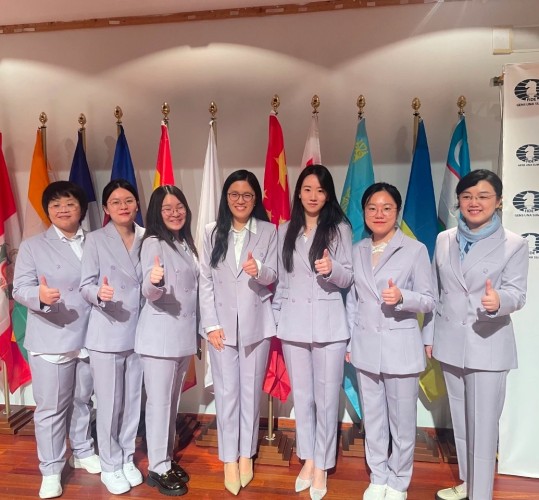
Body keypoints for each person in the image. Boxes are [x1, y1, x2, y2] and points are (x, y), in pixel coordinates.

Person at [424, 170, 528, 500]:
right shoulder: (445, 239)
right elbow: (435, 292)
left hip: (488, 342)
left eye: (483, 196)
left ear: (498, 201)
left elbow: (518, 294)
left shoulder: (514, 243)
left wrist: (500, 301)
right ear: (458, 201)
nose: (474, 202)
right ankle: (468, 483)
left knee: (483, 426)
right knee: (461, 420)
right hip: (450, 342)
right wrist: (429, 336)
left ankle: (481, 494)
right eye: (467, 196)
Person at [345, 182, 435, 500]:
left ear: (397, 211)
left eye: (387, 208)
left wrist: (402, 297)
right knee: (373, 418)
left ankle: (399, 481)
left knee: (402, 421)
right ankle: (378, 475)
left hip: (401, 348)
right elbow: (353, 301)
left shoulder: (415, 249)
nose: (379, 214)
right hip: (365, 346)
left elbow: (429, 300)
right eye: (372, 208)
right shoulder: (357, 249)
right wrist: (350, 343)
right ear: (364, 212)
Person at [13, 181, 100, 499]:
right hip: (52, 335)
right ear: (47, 211)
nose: (63, 209)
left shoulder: (96, 241)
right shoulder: (33, 246)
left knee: (82, 400)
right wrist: (39, 295)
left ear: (81, 208)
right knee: (51, 408)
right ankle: (50, 469)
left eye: (70, 203)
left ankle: (83, 450)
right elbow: (19, 288)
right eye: (56, 205)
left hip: (90, 336)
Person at [272, 164, 353, 500]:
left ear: (328, 194)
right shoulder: (285, 230)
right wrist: (277, 319)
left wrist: (332, 269)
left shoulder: (339, 229)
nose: (313, 196)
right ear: (299, 193)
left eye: (320, 190)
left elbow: (349, 277)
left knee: (326, 398)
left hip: (330, 326)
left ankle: (322, 464)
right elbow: (281, 280)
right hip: (293, 325)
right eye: (307, 189)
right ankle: (307, 458)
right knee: (303, 397)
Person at [199, 170, 277, 496]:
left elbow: (274, 275)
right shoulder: (211, 231)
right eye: (234, 194)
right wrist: (211, 325)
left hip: (257, 325)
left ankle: (247, 454)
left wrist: (260, 271)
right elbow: (205, 280)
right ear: (226, 198)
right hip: (221, 329)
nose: (240, 200)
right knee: (227, 394)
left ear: (255, 198)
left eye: (246, 195)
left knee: (250, 393)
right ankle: (229, 458)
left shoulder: (269, 231)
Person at [80, 178, 145, 495]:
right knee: (108, 403)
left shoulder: (148, 237)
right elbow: (85, 285)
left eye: (128, 200)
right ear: (106, 207)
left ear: (137, 204)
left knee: (133, 401)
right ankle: (109, 464)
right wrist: (99, 294)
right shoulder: (95, 239)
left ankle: (127, 457)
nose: (123, 206)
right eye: (116, 202)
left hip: (141, 332)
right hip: (106, 331)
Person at [135, 185, 198, 497]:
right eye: (167, 209)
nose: (175, 213)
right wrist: (154, 282)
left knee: (171, 404)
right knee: (159, 404)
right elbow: (148, 288)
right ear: (157, 213)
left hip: (181, 337)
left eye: (179, 207)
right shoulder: (153, 242)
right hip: (160, 338)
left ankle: (166, 458)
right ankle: (158, 468)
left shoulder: (183, 242)